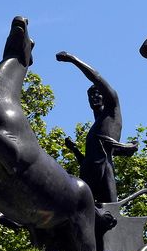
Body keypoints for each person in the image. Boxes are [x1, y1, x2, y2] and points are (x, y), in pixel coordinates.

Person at [57, 51, 137, 203]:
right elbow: (90, 160)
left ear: (105, 96)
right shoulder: (96, 127)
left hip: (104, 175)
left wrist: (73, 59)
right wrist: (74, 150)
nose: (93, 98)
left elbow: (97, 77)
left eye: (97, 94)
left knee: (112, 215)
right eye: (90, 96)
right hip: (88, 177)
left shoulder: (112, 111)